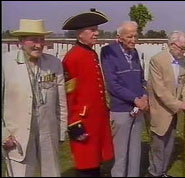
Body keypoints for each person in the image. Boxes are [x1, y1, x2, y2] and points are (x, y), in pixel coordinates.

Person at [2, 19, 68, 177]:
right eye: (34, 40)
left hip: (48, 131)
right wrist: (3, 134)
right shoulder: (6, 63)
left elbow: (61, 101)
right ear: (21, 41)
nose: (39, 45)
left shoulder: (53, 63)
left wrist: (61, 130)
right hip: (17, 136)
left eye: (41, 40)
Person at [62, 9, 114, 177]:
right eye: (92, 29)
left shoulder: (90, 52)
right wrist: (73, 123)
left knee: (95, 163)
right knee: (86, 165)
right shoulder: (73, 57)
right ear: (80, 33)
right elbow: (69, 94)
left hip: (96, 119)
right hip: (83, 120)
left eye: (96, 29)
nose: (96, 33)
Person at [100, 21, 148, 177]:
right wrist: (135, 99)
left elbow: (140, 78)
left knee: (135, 151)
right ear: (119, 37)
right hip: (121, 109)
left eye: (135, 35)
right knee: (120, 153)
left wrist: (144, 95)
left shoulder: (134, 53)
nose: (134, 39)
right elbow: (113, 84)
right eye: (130, 36)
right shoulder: (108, 52)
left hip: (138, 108)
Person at [146, 31, 185, 177]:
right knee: (158, 146)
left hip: (173, 111)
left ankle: (163, 172)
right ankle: (154, 173)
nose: (184, 51)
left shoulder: (182, 60)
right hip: (159, 110)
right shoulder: (157, 61)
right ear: (172, 45)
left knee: (169, 144)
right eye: (182, 48)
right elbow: (160, 90)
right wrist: (179, 104)